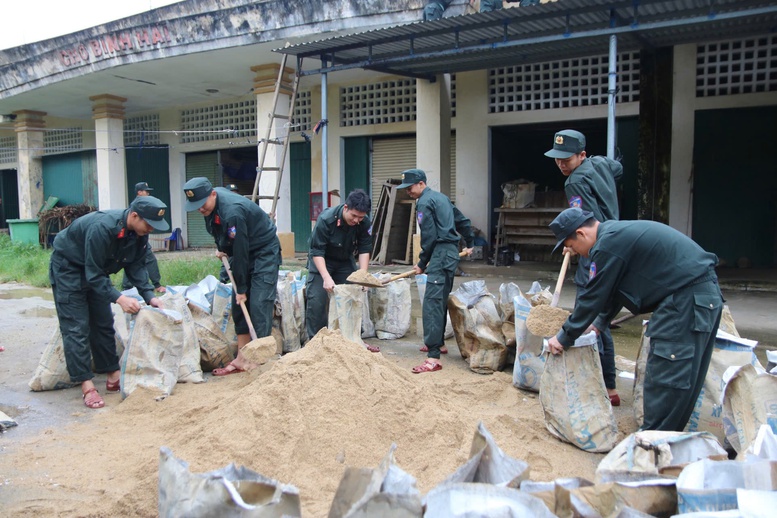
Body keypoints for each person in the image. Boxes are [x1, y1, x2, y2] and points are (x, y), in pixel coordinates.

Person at [546, 208, 723, 431]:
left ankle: (653, 448)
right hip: (699, 298)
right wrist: (599, 323)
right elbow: (615, 289)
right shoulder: (615, 235)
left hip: (686, 302)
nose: (575, 253)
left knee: (667, 377)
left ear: (581, 234)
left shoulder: (607, 245)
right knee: (682, 378)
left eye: (571, 247)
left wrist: (564, 336)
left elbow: (594, 295)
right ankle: (663, 442)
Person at [49, 196, 169, 409]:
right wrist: (120, 298)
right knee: (76, 327)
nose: (151, 229)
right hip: (69, 268)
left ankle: (112, 374)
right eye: (149, 224)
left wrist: (150, 296)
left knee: (103, 323)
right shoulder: (102, 228)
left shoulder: (140, 233)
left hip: (96, 272)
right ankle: (87, 385)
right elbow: (92, 273)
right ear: (134, 216)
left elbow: (136, 266)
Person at [545, 129, 623, 405]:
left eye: (567, 158)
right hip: (614, 237)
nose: (562, 164)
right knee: (601, 318)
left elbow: (584, 219)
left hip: (596, 248)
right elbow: (618, 167)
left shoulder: (574, 182)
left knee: (589, 315)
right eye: (557, 159)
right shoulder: (600, 164)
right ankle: (610, 387)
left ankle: (597, 384)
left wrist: (576, 239)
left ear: (582, 155)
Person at [183, 177, 281, 375]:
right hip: (242, 248)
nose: (200, 209)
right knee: (238, 308)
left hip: (263, 249)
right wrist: (222, 248)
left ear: (212, 194)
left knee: (259, 303)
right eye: (196, 206)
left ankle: (260, 360)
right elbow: (221, 233)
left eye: (202, 204)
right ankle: (242, 358)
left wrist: (242, 289)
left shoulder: (233, 212)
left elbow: (241, 252)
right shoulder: (210, 205)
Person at [399, 169, 474, 373]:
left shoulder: (423, 202)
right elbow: (461, 219)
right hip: (450, 255)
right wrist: (471, 240)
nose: (408, 192)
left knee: (432, 302)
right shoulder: (441, 198)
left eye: (410, 187)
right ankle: (439, 343)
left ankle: (433, 357)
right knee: (439, 298)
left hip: (440, 254)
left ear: (422, 184)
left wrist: (422, 262)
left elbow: (429, 237)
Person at [305, 189, 377, 351]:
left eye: (361, 217)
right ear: (346, 207)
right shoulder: (326, 219)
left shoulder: (364, 222)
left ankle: (353, 340)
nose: (357, 220)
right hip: (323, 261)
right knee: (317, 300)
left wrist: (363, 276)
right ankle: (316, 343)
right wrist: (326, 277)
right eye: (354, 216)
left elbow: (365, 248)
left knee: (352, 296)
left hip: (345, 261)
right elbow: (316, 251)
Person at [122, 182, 166, 294]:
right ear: (139, 192)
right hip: (134, 238)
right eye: (146, 191)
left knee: (131, 259)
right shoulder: (136, 206)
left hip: (139, 238)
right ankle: (156, 285)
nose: (148, 193)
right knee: (147, 259)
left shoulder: (143, 204)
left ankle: (127, 287)